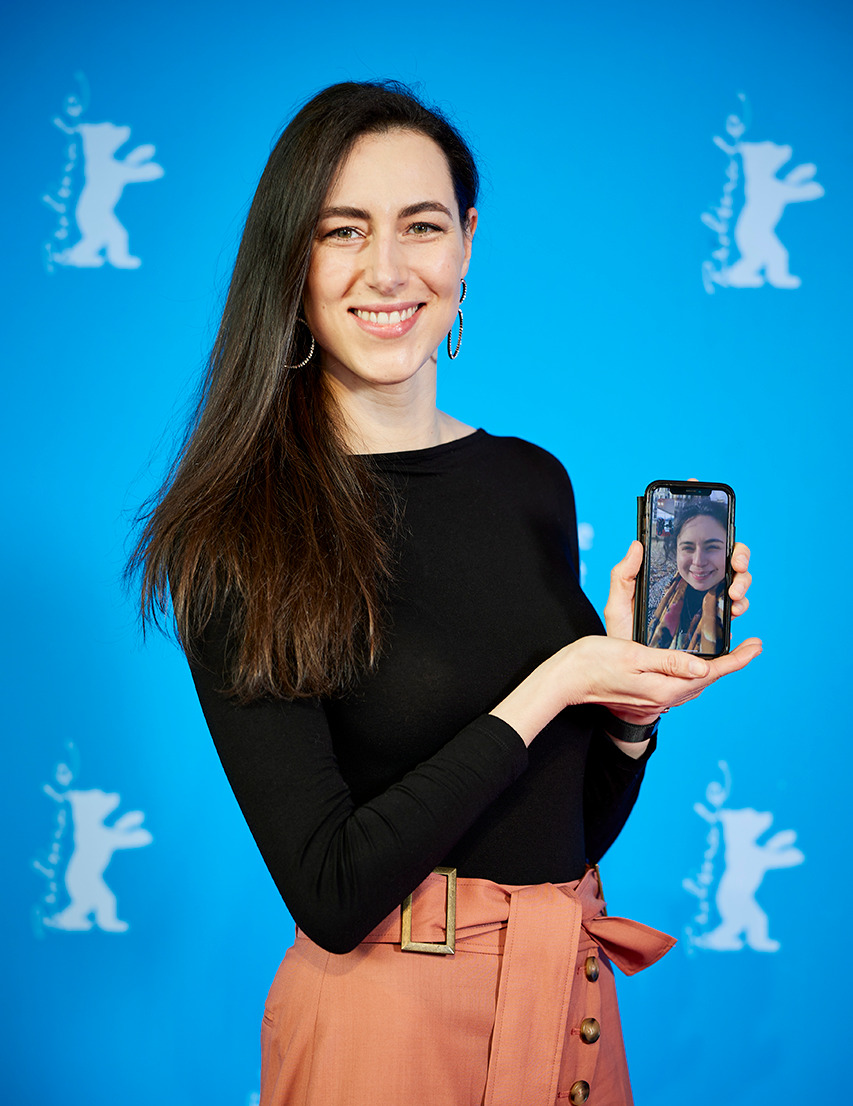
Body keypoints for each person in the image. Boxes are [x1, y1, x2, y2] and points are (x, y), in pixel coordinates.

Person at [129, 80, 760, 1106]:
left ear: (465, 241)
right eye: (344, 230)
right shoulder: (239, 534)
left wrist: (627, 719)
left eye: (421, 225)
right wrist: (553, 683)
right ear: (291, 257)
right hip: (383, 1034)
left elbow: (559, 839)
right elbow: (331, 890)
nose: (388, 269)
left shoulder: (529, 480)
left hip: (570, 1004)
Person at [648, 501, 729, 655]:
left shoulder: (735, 607)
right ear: (676, 550)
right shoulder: (657, 595)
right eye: (688, 548)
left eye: (711, 547)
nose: (698, 561)